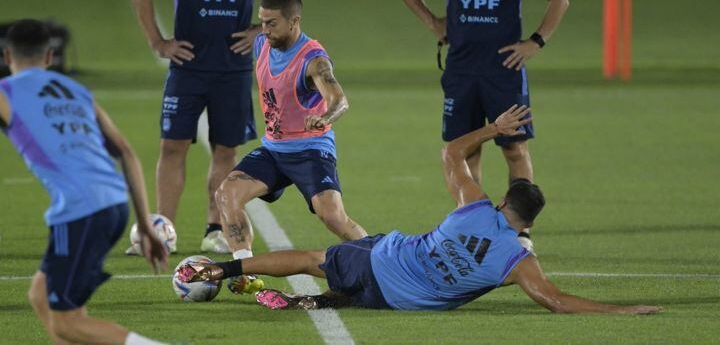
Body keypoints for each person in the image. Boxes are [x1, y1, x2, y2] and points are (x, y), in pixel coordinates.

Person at [178, 104, 662, 315]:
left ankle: (222, 268)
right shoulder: (519, 262)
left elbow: (451, 153)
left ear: (501, 202)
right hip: (400, 299)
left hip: (386, 257)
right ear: (530, 224)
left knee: (314, 259)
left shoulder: (475, 208)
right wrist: (622, 308)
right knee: (354, 282)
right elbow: (557, 302)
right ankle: (332, 300)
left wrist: (494, 130)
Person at [396, 0, 570, 251]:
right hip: (461, 70)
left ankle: (521, 233)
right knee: (467, 150)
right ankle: (472, 226)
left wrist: (535, 42)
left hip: (505, 71)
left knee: (514, 148)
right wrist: (434, 23)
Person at [0, 19, 169, 344]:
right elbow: (126, 152)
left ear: (8, 56)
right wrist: (146, 226)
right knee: (40, 295)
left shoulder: (6, 92)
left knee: (66, 323)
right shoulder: (76, 92)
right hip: (114, 204)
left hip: (81, 210)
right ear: (49, 57)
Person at [130, 0, 296, 254]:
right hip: (187, 66)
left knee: (225, 150)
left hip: (232, 71)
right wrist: (158, 43)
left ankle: (215, 230)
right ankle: (164, 230)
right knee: (172, 146)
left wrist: (260, 30)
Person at [210, 0, 368, 292]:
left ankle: (378, 261)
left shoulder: (313, 60)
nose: (264, 30)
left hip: (311, 149)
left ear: (294, 22)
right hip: (274, 149)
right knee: (227, 194)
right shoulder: (262, 44)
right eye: (262, 22)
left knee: (332, 216)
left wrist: (325, 117)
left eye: (272, 24)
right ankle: (243, 272)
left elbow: (340, 100)